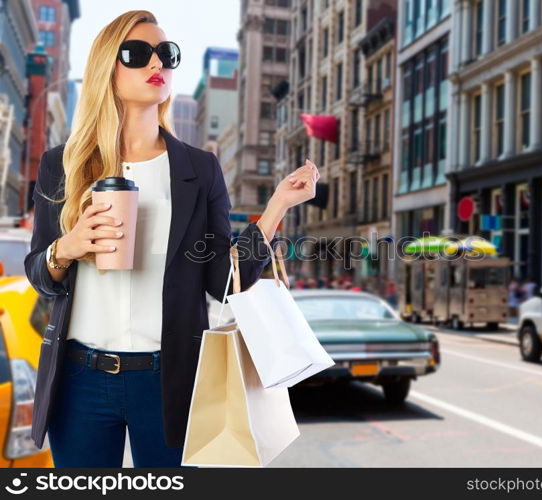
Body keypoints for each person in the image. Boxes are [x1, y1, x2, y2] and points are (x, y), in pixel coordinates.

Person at [23, 10, 320, 468]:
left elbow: (224, 278)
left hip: (170, 378)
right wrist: (69, 246)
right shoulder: (63, 164)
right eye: (137, 54)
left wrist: (277, 206)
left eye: (166, 54)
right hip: (79, 379)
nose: (156, 63)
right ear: (108, 67)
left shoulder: (198, 169)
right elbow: (40, 275)